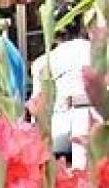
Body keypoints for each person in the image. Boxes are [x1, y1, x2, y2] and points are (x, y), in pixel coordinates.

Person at [31, 2, 92, 167]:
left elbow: (37, 108)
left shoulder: (43, 62)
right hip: (94, 129)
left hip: (58, 131)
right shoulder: (98, 53)